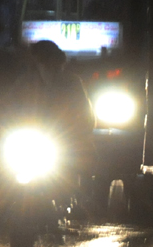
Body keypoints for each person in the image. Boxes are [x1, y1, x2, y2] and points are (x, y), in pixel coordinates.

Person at [6, 40, 95, 182]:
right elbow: (7, 108)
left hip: (65, 145)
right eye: (43, 62)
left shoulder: (73, 82)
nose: (49, 68)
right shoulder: (25, 82)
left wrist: (76, 135)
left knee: (77, 174)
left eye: (53, 62)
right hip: (31, 143)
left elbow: (86, 118)